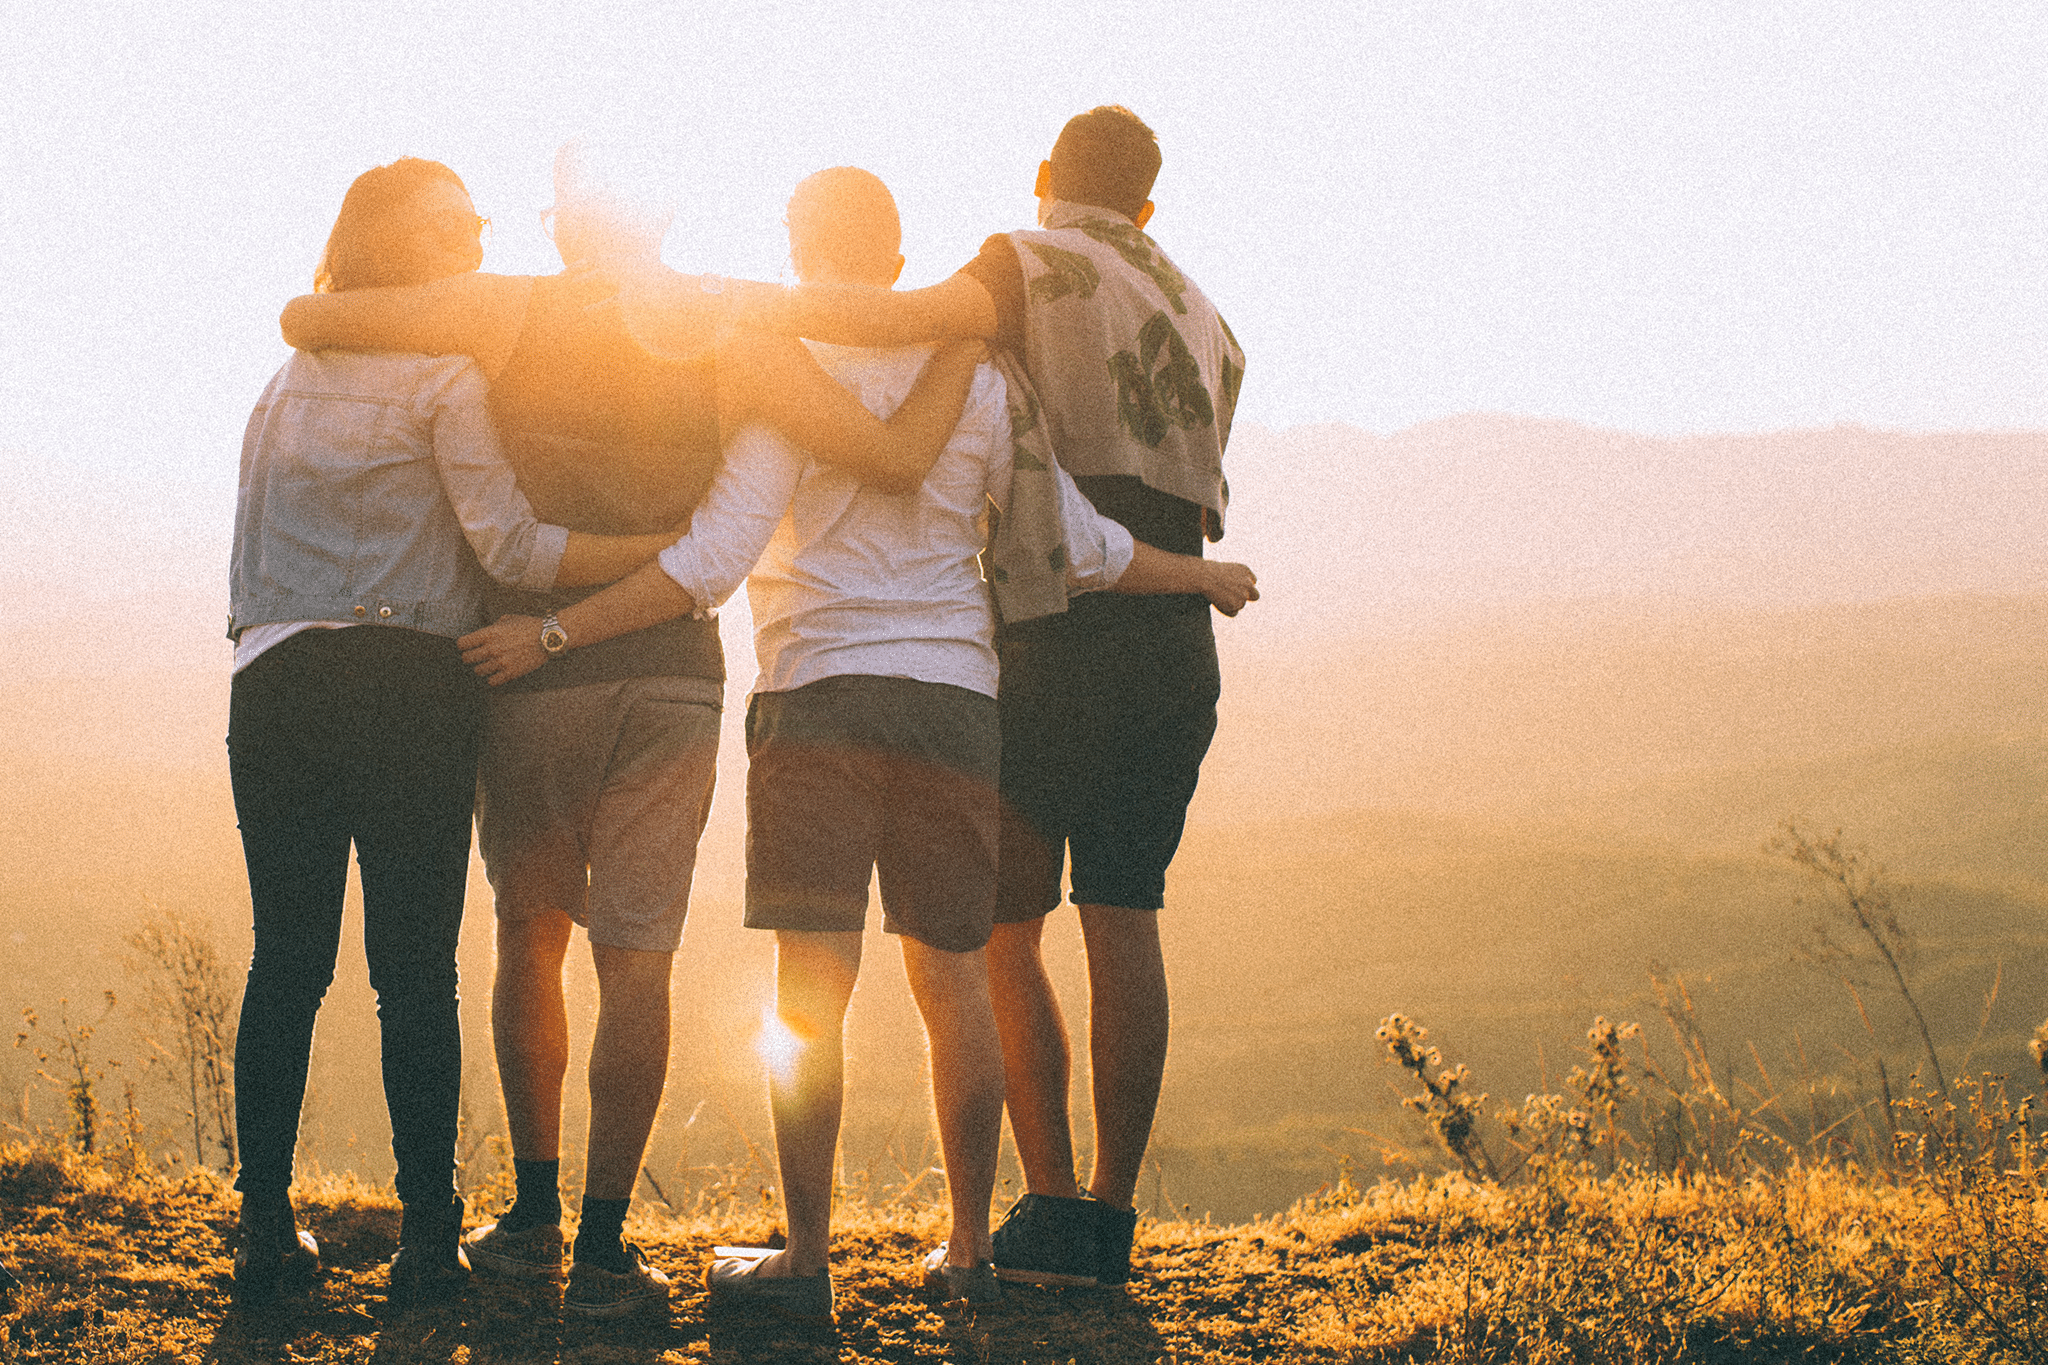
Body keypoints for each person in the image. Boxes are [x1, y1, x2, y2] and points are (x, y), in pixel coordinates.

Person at [456, 166, 1255, 1320]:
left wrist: (556, 630)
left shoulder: (783, 372)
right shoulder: (980, 378)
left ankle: (807, 1260)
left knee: (809, 996)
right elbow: (1080, 545)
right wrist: (1203, 576)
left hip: (815, 697)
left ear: (796, 247)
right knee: (955, 986)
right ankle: (972, 1252)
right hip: (954, 705)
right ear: (894, 260)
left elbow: (712, 560)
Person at [275, 142, 984, 1319]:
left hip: (528, 667)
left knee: (529, 935)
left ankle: (533, 1214)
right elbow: (884, 454)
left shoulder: (500, 313)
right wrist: (963, 334)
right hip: (670, 674)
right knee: (637, 958)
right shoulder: (725, 328)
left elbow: (312, 318)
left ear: (562, 227)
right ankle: (607, 1246)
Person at [227, 157, 684, 1310]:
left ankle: (264, 1233)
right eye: (458, 226)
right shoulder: (443, 379)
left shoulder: (284, 383)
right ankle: (429, 1241)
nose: (478, 241)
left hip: (273, 681)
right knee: (413, 973)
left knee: (285, 961)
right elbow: (515, 553)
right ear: (406, 247)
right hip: (409, 688)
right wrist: (664, 554)